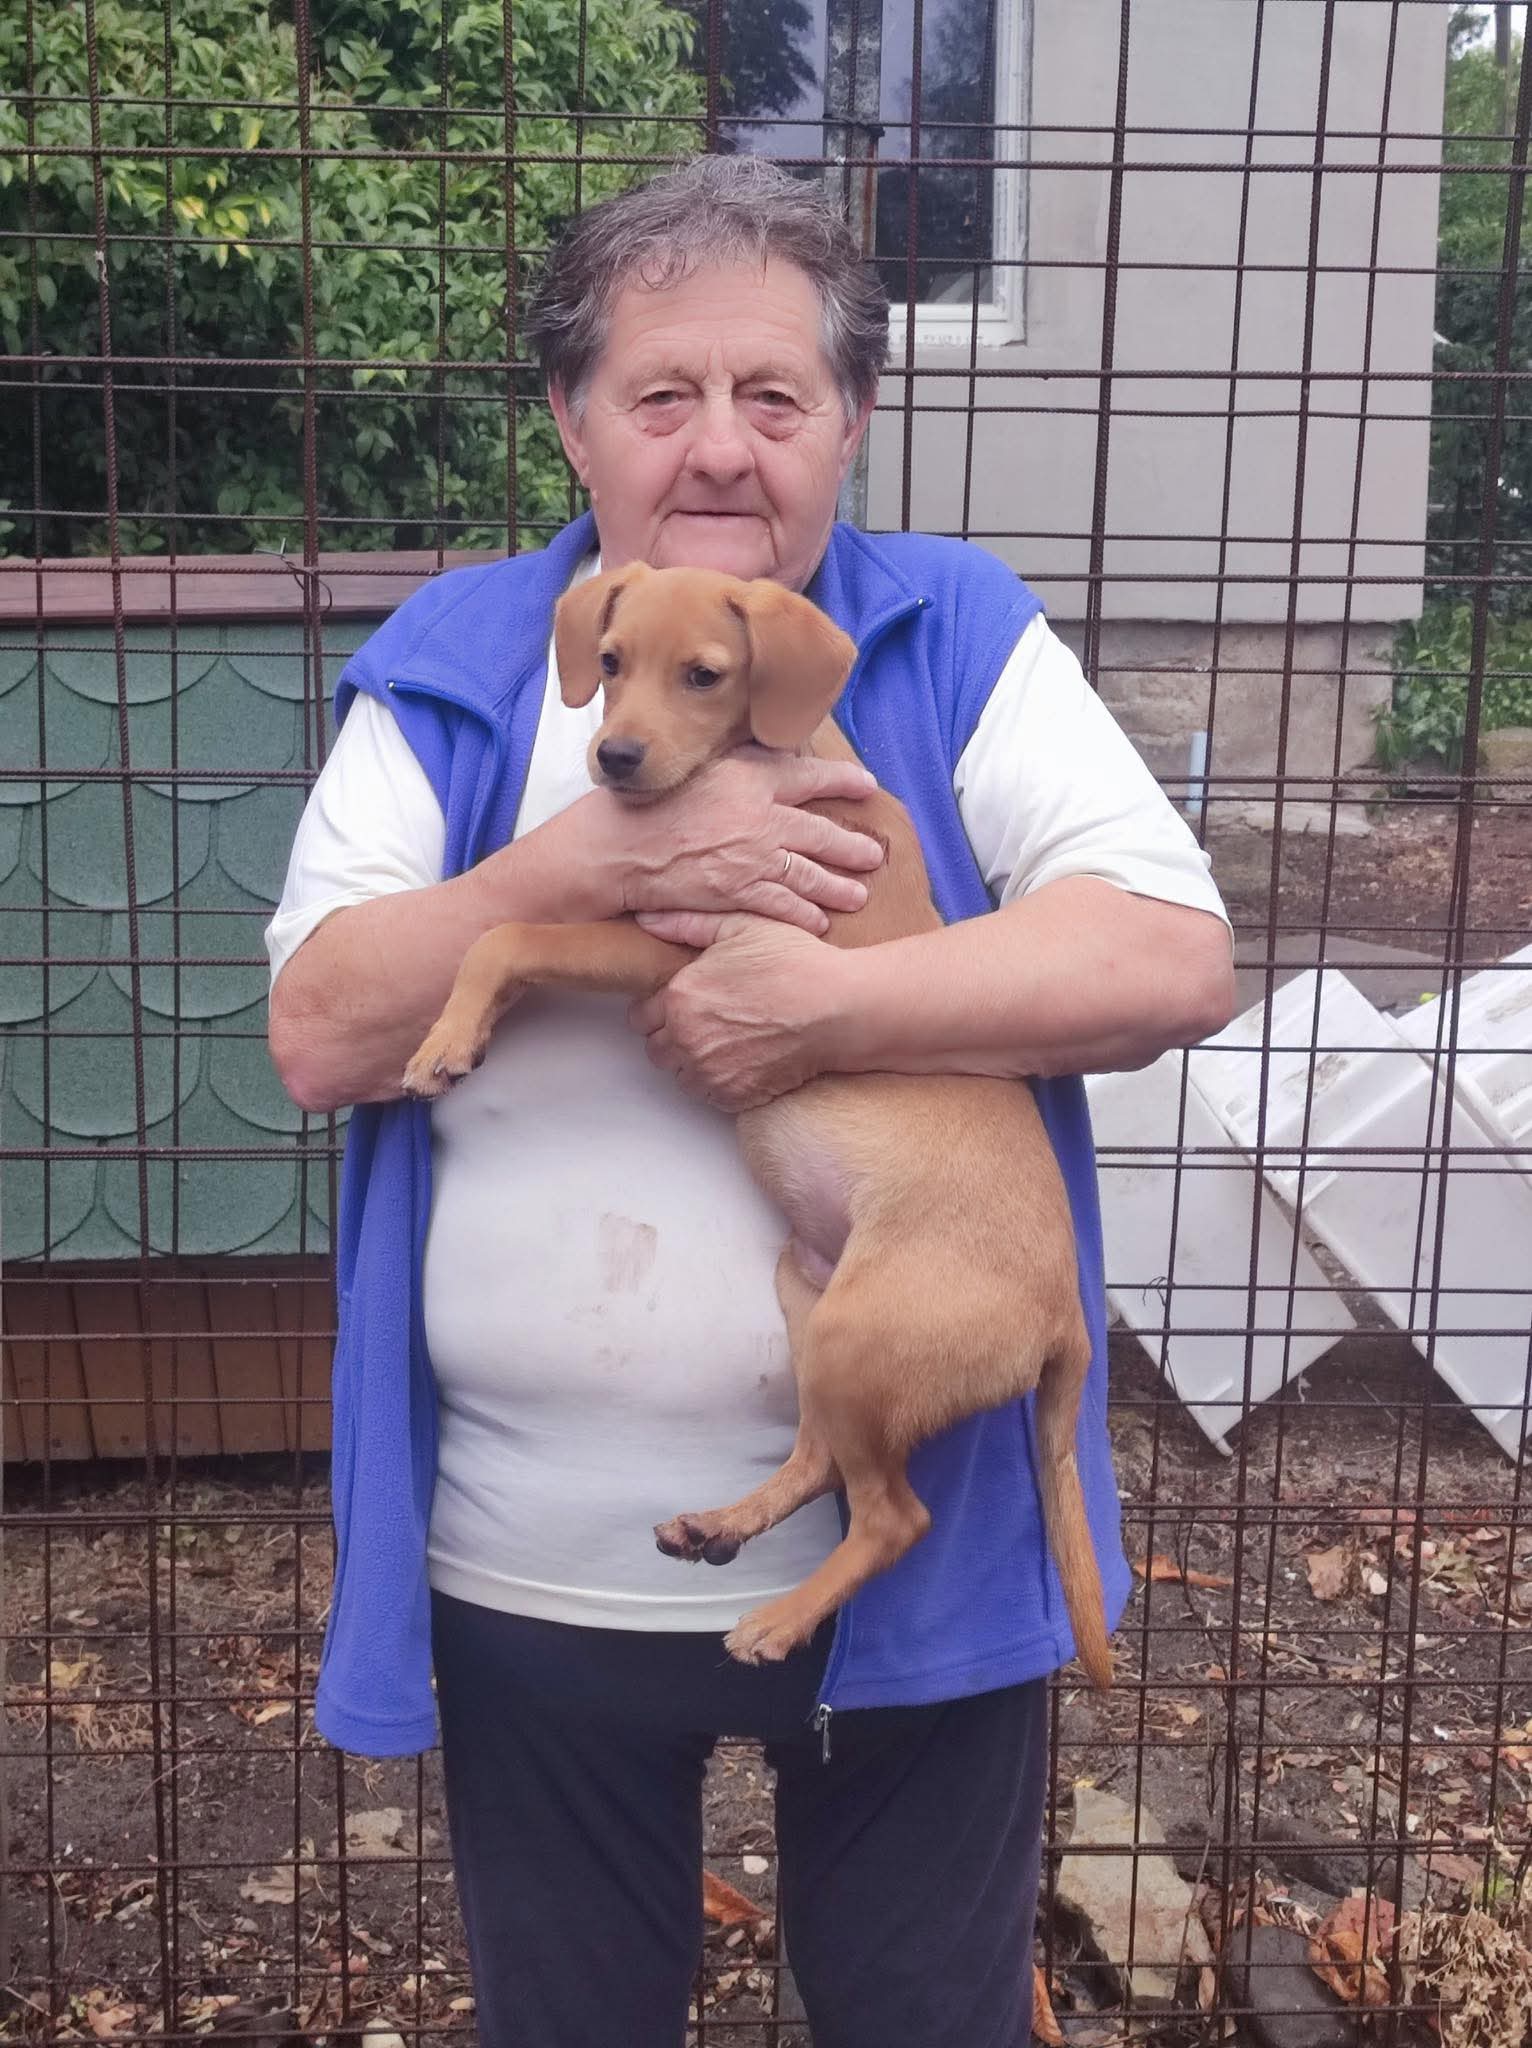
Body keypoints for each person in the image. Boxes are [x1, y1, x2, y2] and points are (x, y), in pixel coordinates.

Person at [266, 154, 1233, 2048]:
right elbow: (316, 1035)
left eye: (775, 395)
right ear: (573, 423)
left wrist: (834, 1005)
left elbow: (1172, 961)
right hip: (530, 1558)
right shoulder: (459, 665)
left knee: (918, 2017)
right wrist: (578, 867)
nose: (721, 444)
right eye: (663, 394)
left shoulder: (951, 633)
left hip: (909, 1577)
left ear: (851, 422)